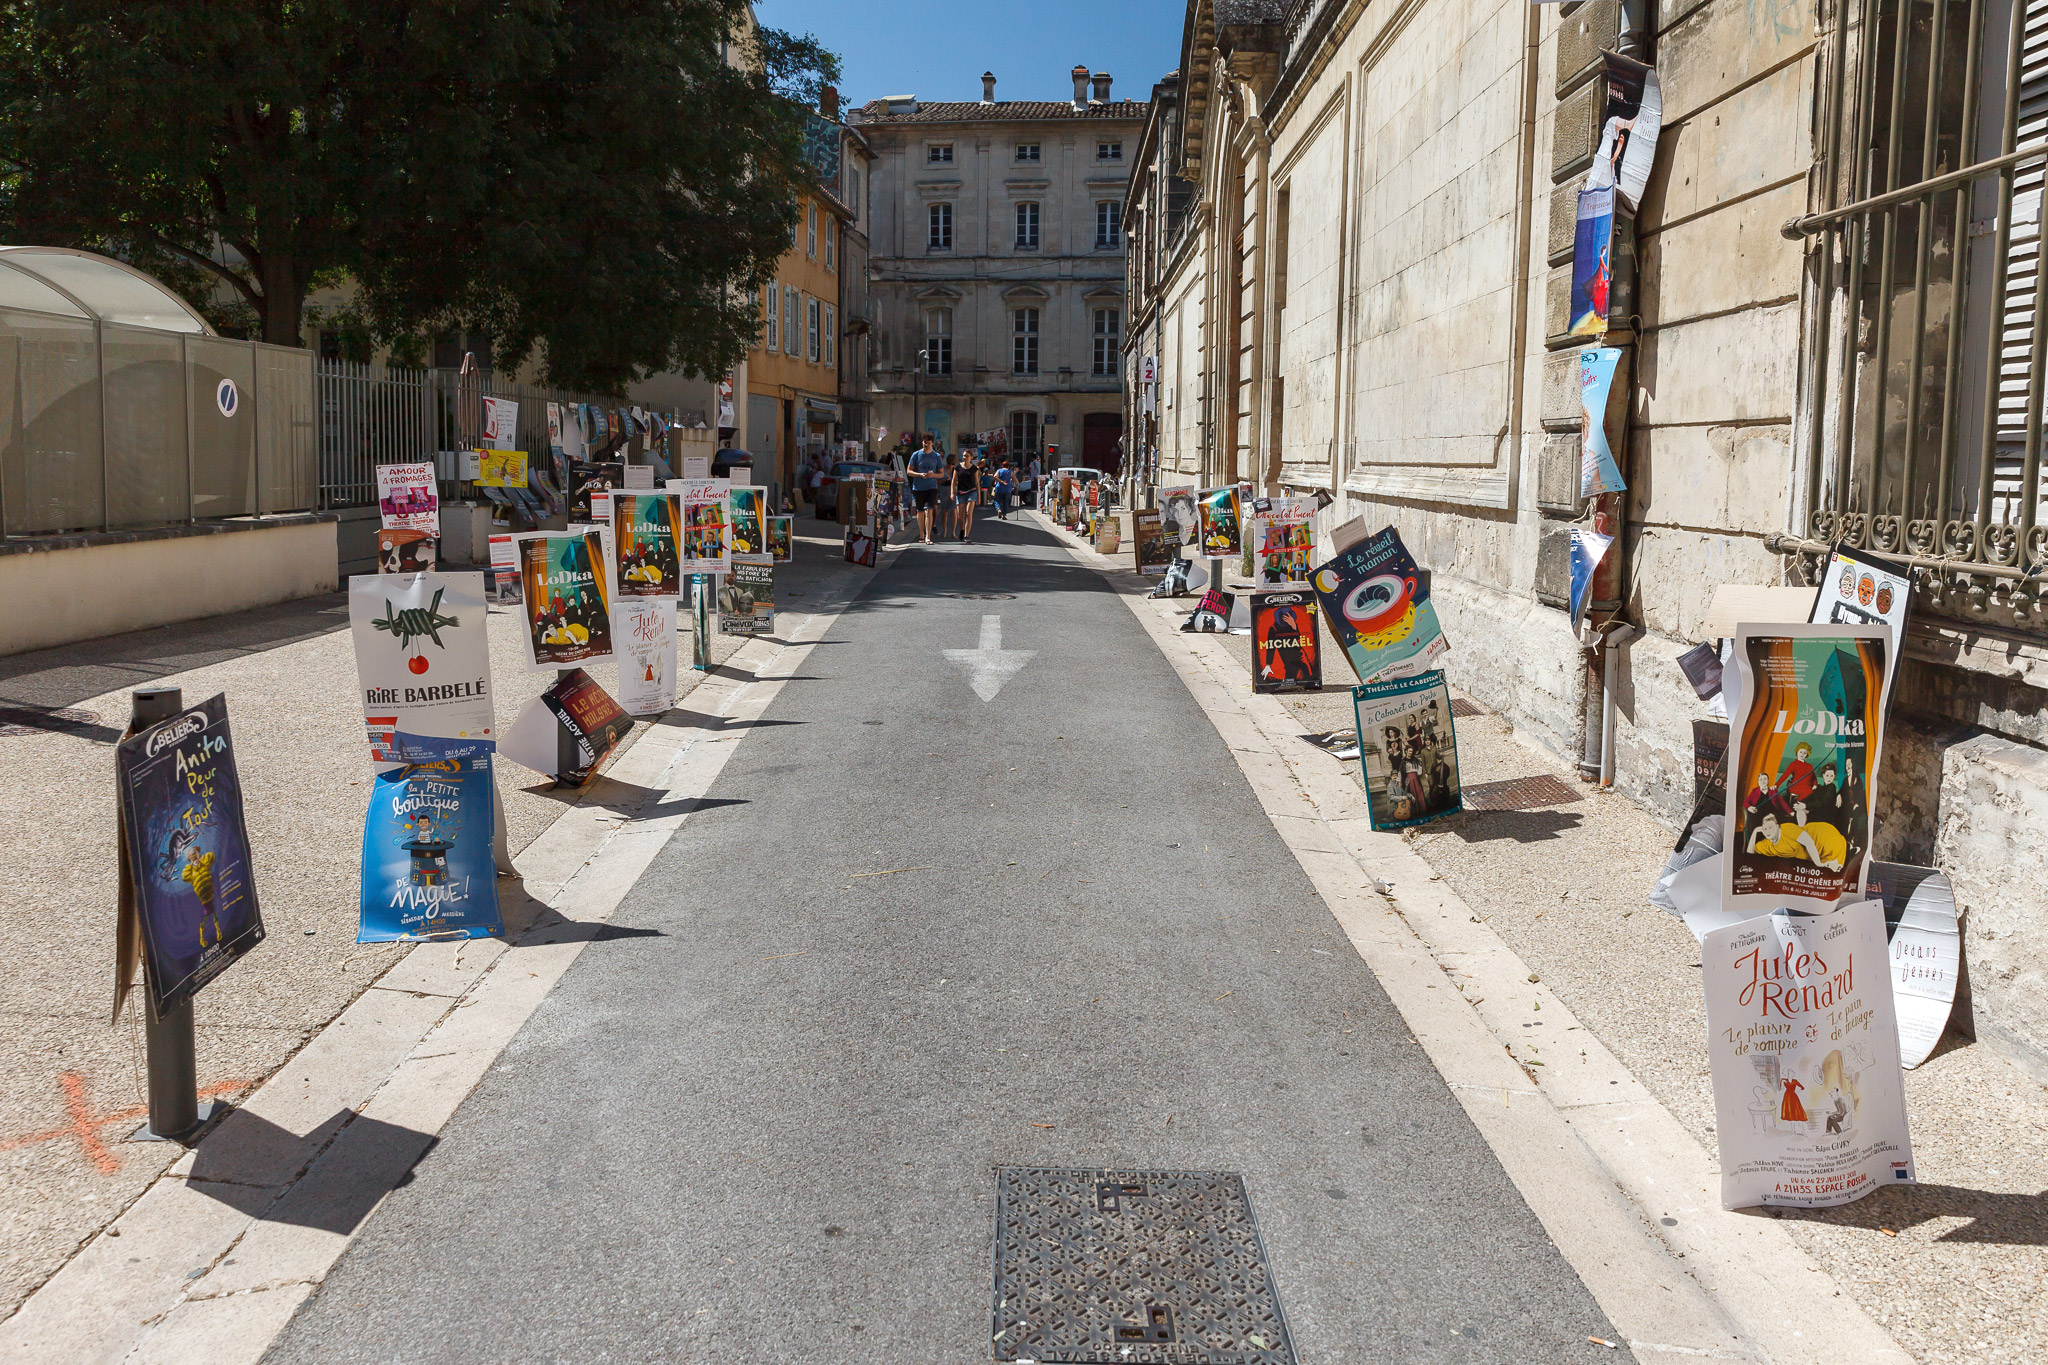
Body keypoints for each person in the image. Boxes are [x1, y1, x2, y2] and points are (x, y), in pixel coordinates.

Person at [906, 434, 945, 544]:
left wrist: (933, 475)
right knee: (920, 511)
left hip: (931, 487)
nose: (925, 444)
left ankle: (928, 536)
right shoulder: (916, 455)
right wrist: (919, 474)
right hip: (918, 487)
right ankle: (921, 534)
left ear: (932, 443)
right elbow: (909, 471)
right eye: (924, 442)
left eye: (928, 442)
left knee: (929, 510)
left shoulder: (936, 456)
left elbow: (941, 474)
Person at [952, 448, 979, 542]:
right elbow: (953, 480)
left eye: (967, 456)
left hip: (971, 492)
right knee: (960, 516)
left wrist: (979, 496)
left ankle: (966, 535)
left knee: (968, 513)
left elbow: (977, 482)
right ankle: (962, 529)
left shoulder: (974, 468)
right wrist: (952, 492)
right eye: (964, 455)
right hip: (960, 492)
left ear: (971, 457)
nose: (965, 457)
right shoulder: (958, 467)